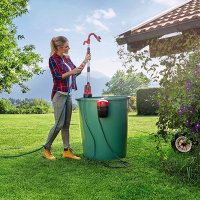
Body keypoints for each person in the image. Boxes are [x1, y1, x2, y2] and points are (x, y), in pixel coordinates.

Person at [42, 36, 91, 161]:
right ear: (59, 47)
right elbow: (58, 77)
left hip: (68, 94)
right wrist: (71, 72)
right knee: (59, 124)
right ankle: (46, 149)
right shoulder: (53, 60)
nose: (69, 48)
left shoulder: (67, 58)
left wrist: (85, 60)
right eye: (67, 46)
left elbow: (77, 71)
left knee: (66, 125)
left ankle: (67, 150)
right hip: (59, 94)